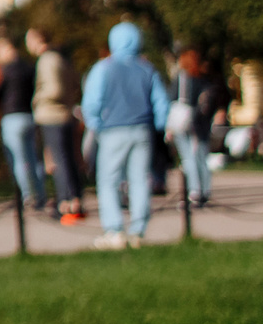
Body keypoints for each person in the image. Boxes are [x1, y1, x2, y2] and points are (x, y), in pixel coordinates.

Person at [80, 20, 172, 249]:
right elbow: (161, 102)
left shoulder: (104, 68)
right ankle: (138, 231)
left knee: (109, 181)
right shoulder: (146, 68)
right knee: (140, 180)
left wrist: (96, 124)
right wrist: (159, 127)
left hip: (112, 131)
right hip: (142, 131)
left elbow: (91, 103)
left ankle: (114, 230)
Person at [27, 27, 84, 225]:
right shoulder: (61, 57)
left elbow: (54, 89)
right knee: (68, 159)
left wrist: (37, 98)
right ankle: (74, 199)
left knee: (59, 161)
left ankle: (66, 203)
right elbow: (75, 83)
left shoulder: (47, 60)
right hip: (65, 113)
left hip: (52, 114)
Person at [0, 34, 45, 211]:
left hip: (12, 117)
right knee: (33, 158)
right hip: (29, 116)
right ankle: (41, 194)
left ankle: (28, 195)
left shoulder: (4, 71)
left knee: (20, 161)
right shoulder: (29, 67)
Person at [170, 49, 221, 209]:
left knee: (189, 159)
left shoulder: (182, 79)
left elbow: (171, 99)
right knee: (201, 159)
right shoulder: (205, 80)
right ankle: (204, 192)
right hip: (201, 125)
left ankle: (194, 193)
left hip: (185, 123)